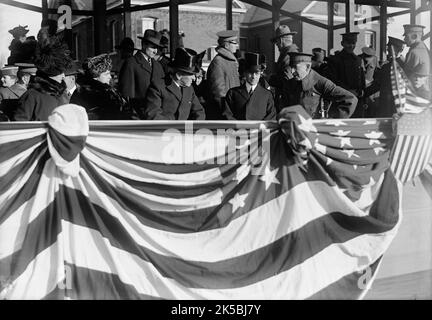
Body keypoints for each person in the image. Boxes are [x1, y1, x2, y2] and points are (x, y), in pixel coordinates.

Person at [281, 52, 357, 119]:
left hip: (313, 129)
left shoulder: (320, 82)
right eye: (291, 67)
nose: (292, 71)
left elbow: (350, 99)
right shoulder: (290, 83)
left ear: (307, 67)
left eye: (295, 68)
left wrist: (332, 120)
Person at [13, 37, 71, 121]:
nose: (63, 76)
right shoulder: (32, 96)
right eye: (60, 73)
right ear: (51, 74)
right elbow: (19, 126)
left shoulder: (63, 94)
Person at [144, 47, 205, 120]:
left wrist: (194, 128)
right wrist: (173, 128)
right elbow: (153, 114)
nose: (194, 78)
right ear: (179, 75)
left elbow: (199, 111)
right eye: (191, 75)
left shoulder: (189, 89)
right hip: (166, 130)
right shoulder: (158, 87)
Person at [70, 54, 133, 120]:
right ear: (95, 76)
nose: (110, 77)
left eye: (109, 73)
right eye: (106, 74)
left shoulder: (111, 91)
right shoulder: (86, 93)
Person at [118, 29, 165, 106]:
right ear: (144, 45)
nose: (155, 51)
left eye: (157, 48)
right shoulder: (131, 63)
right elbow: (126, 93)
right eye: (153, 47)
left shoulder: (158, 66)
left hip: (157, 111)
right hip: (139, 112)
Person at [223, 52, 275, 121]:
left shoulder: (267, 95)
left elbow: (271, 116)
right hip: (239, 130)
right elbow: (227, 114)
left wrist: (259, 128)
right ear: (245, 73)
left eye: (256, 73)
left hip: (259, 131)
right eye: (250, 73)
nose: (253, 76)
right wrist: (239, 128)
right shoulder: (233, 93)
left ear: (260, 74)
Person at [327, 32, 366, 117]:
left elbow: (361, 79)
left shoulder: (358, 60)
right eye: (348, 43)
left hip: (358, 101)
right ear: (342, 44)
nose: (351, 46)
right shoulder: (335, 60)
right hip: (343, 101)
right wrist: (348, 91)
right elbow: (332, 80)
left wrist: (362, 91)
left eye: (353, 43)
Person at [366, 37, 406, 117]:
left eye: (390, 48)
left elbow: (378, 84)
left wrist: (364, 93)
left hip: (389, 104)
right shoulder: (405, 64)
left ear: (398, 50)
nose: (387, 50)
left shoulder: (389, 67)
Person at [206, 30, 240, 120]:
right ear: (226, 45)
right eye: (234, 42)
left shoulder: (231, 62)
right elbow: (218, 93)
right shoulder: (218, 62)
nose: (237, 45)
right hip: (224, 115)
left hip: (233, 111)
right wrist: (228, 115)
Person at [268, 25, 299, 112]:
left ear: (281, 40)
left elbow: (286, 79)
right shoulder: (290, 54)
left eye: (276, 42)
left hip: (287, 101)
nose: (276, 45)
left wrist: (270, 78)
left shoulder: (288, 56)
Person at [402, 24, 430, 90]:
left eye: (406, 36)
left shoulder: (414, 52)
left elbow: (405, 75)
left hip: (415, 90)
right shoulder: (424, 48)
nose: (404, 39)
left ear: (414, 36)